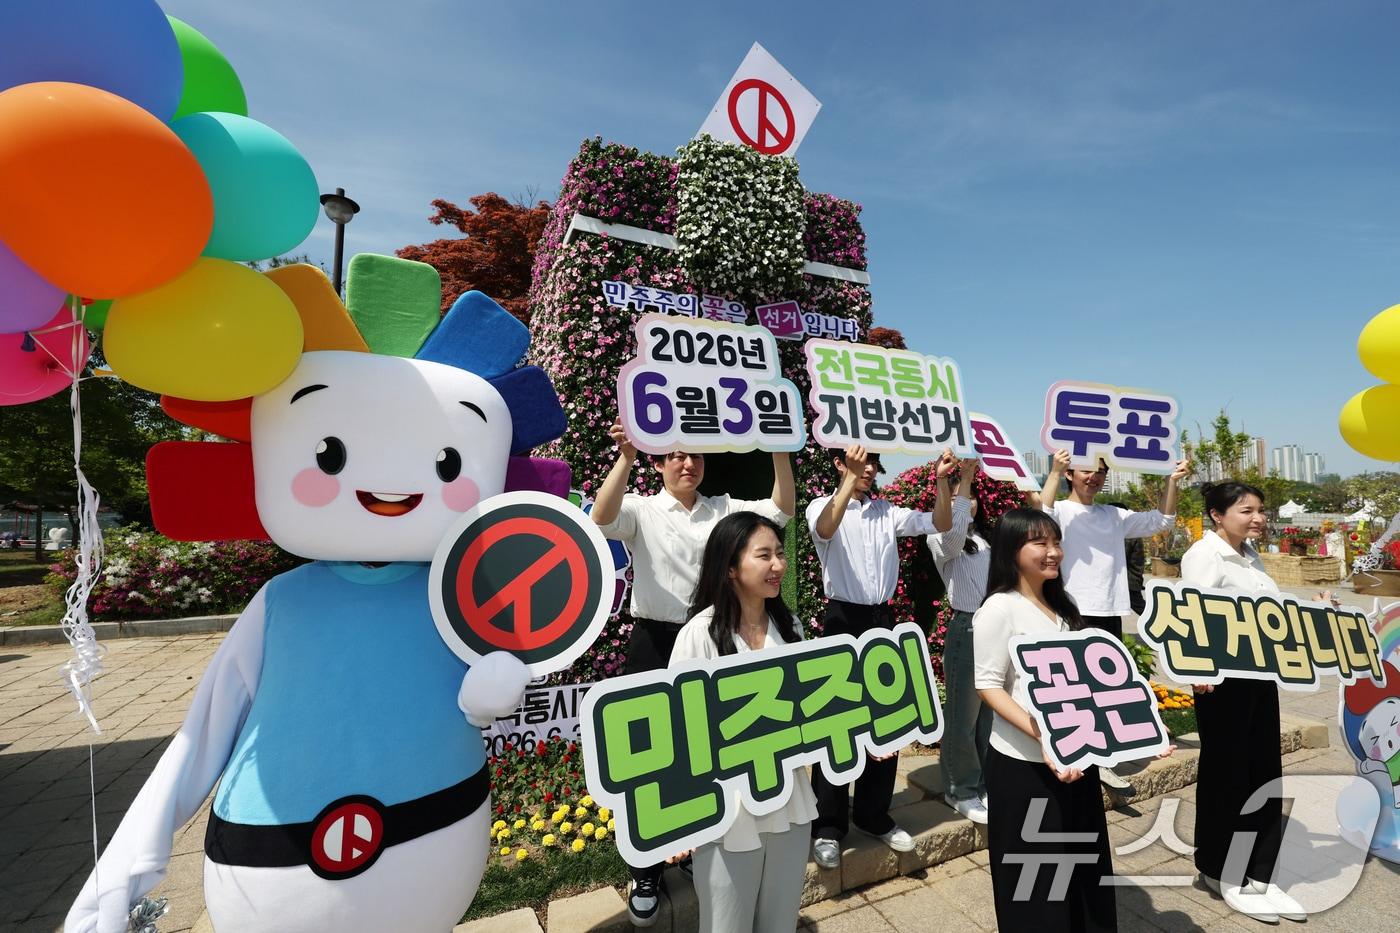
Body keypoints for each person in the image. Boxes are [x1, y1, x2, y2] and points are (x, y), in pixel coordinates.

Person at [592, 420, 795, 926]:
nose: (688, 464)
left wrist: (779, 452)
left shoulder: (724, 508)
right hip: (656, 640)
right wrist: (624, 457)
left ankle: (707, 838)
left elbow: (782, 511)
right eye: (676, 456)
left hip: (717, 637)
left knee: (715, 746)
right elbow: (599, 520)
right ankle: (645, 871)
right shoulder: (642, 506)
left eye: (697, 456)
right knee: (653, 758)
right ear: (659, 463)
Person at [974, 508, 1117, 932]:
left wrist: (1132, 734)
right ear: (1012, 550)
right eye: (1040, 543)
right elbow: (989, 686)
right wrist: (1045, 736)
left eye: (1056, 542)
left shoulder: (1062, 607)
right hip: (1025, 766)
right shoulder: (1000, 609)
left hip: (1076, 761)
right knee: (1036, 884)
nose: (1053, 552)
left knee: (1081, 869)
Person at [669, 512, 813, 933]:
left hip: (790, 800)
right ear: (731, 566)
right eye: (764, 555)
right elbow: (680, 729)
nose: (778, 566)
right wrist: (678, 822)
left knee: (780, 921)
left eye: (781, 555)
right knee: (725, 923)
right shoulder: (698, 635)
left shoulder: (791, 627)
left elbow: (814, 710)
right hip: (728, 810)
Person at [1180, 481, 1307, 924]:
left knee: (1264, 772)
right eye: (1245, 510)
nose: (1257, 518)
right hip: (1222, 683)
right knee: (1228, 776)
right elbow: (1188, 614)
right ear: (1217, 514)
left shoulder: (1251, 556)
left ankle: (1260, 873)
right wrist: (1196, 671)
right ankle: (1220, 871)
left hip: (1259, 677)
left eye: (1260, 510)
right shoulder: (1204, 554)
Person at [805, 444, 936, 868]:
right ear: (840, 464)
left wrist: (952, 481)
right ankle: (827, 825)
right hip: (842, 618)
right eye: (860, 461)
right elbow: (825, 529)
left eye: (874, 462)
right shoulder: (821, 505)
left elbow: (938, 521)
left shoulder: (887, 511)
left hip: (883, 617)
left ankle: (873, 814)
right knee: (838, 722)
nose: (869, 469)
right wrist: (848, 480)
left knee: (887, 717)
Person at [1041, 451, 1189, 794]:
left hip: (1109, 609)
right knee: (1072, 687)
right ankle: (1072, 754)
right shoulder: (1061, 511)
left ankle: (1102, 759)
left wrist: (1172, 482)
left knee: (1105, 686)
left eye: (1101, 472)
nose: (1093, 477)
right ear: (1071, 475)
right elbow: (1041, 515)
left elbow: (1162, 521)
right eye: (1086, 471)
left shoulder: (1114, 515)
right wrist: (1053, 472)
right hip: (1072, 609)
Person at [926, 452, 995, 824]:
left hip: (994, 629)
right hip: (966, 627)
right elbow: (953, 537)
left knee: (988, 714)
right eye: (953, 499)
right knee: (963, 716)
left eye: (967, 497)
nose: (963, 504)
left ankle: (982, 782)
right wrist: (962, 481)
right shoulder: (938, 538)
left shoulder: (985, 540)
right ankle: (960, 789)